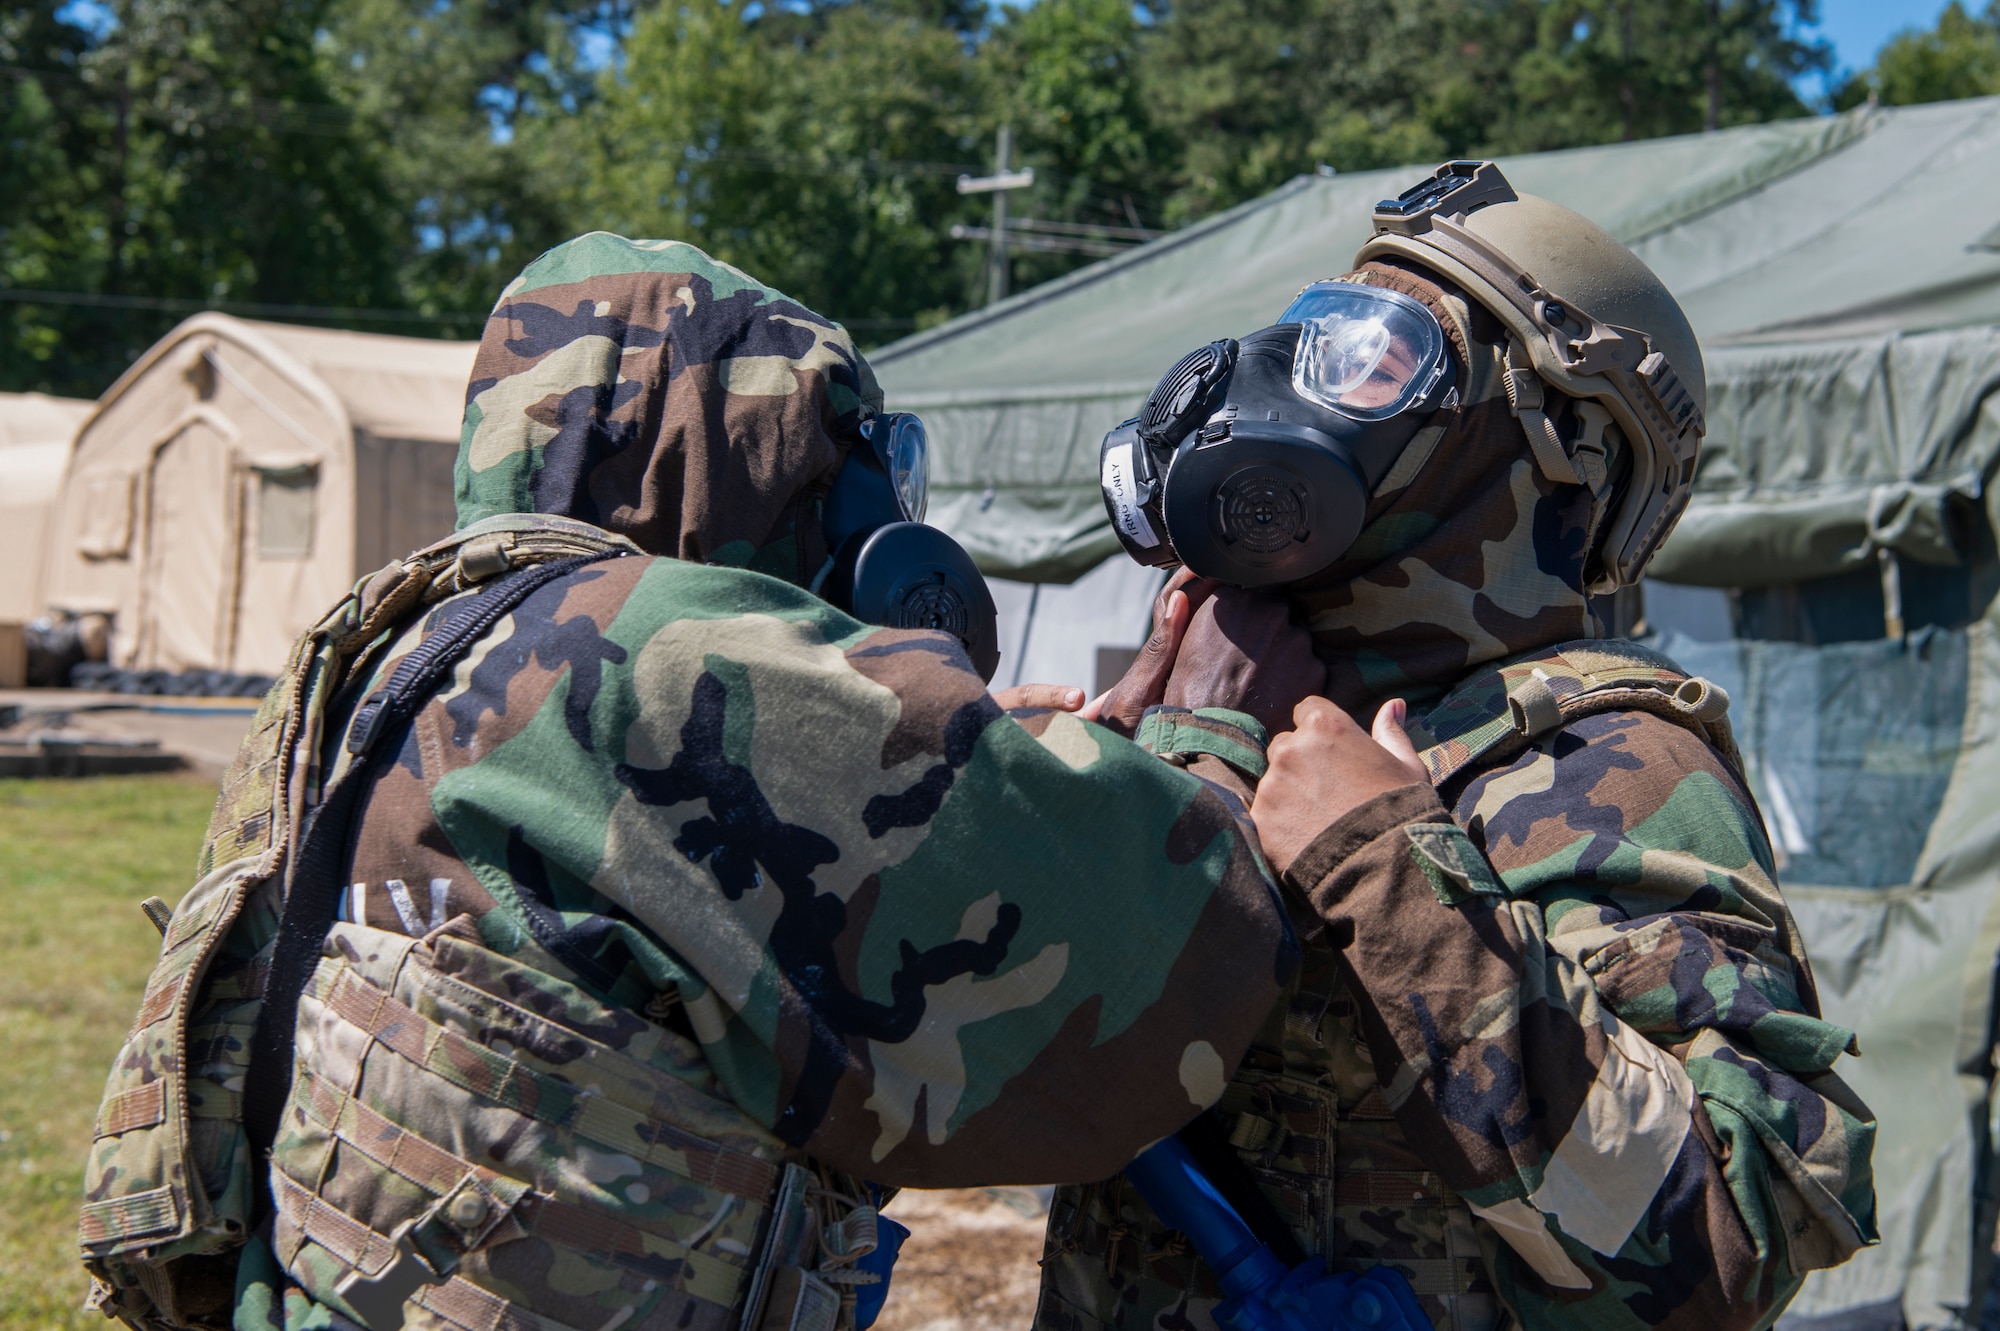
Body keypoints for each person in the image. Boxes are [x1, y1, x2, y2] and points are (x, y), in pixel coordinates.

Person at [78, 234, 1333, 1331]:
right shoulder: (658, 649)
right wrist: (1201, 732)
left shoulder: (391, 650)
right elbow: (1152, 971)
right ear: (763, 456)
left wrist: (947, 757)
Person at [1040, 161, 1878, 1331]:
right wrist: (1101, 784)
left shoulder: (1600, 760)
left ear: (1549, 451)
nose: (1294, 385)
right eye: (1307, 336)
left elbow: (1731, 1235)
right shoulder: (1211, 700)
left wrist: (1380, 873)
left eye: (1375, 356)